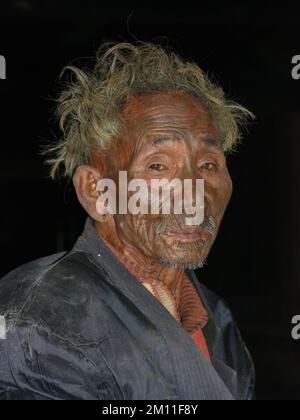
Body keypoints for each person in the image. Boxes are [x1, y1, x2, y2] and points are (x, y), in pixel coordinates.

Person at [0, 42, 255, 400]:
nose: (193, 195)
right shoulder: (37, 318)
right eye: (158, 166)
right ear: (96, 192)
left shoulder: (215, 317)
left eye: (208, 165)